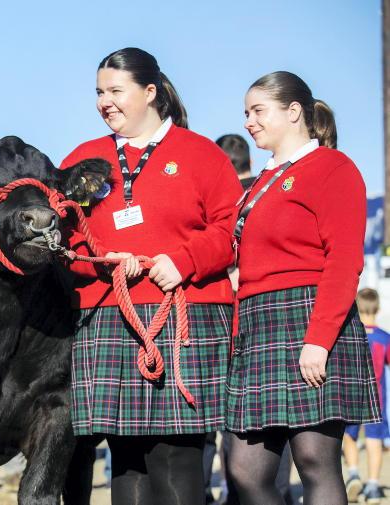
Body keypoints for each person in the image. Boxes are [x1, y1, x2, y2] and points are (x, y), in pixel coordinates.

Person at [61, 47, 242, 505]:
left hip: (187, 315)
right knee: (127, 460)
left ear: (150, 92)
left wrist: (184, 260)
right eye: (99, 92)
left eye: (115, 91)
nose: (105, 102)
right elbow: (64, 243)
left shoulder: (202, 154)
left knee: (177, 457)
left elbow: (232, 229)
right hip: (108, 316)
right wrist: (100, 263)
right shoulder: (83, 158)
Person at [225, 71, 381, 505]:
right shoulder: (256, 185)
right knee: (244, 467)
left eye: (258, 111)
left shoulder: (333, 167)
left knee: (314, 460)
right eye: (246, 112)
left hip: (309, 319)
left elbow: (344, 260)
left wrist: (319, 339)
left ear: (294, 111)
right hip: (257, 328)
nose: (248, 121)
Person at [211, 133, 294, 505]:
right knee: (278, 421)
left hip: (228, 318)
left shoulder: (237, 197)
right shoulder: (264, 190)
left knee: (232, 426)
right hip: (271, 318)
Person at [343, 288, 390, 504]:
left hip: (351, 396)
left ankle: (353, 474)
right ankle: (372, 486)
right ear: (378, 309)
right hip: (376, 399)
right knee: (374, 439)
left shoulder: (351, 334)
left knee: (349, 436)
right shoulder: (384, 338)